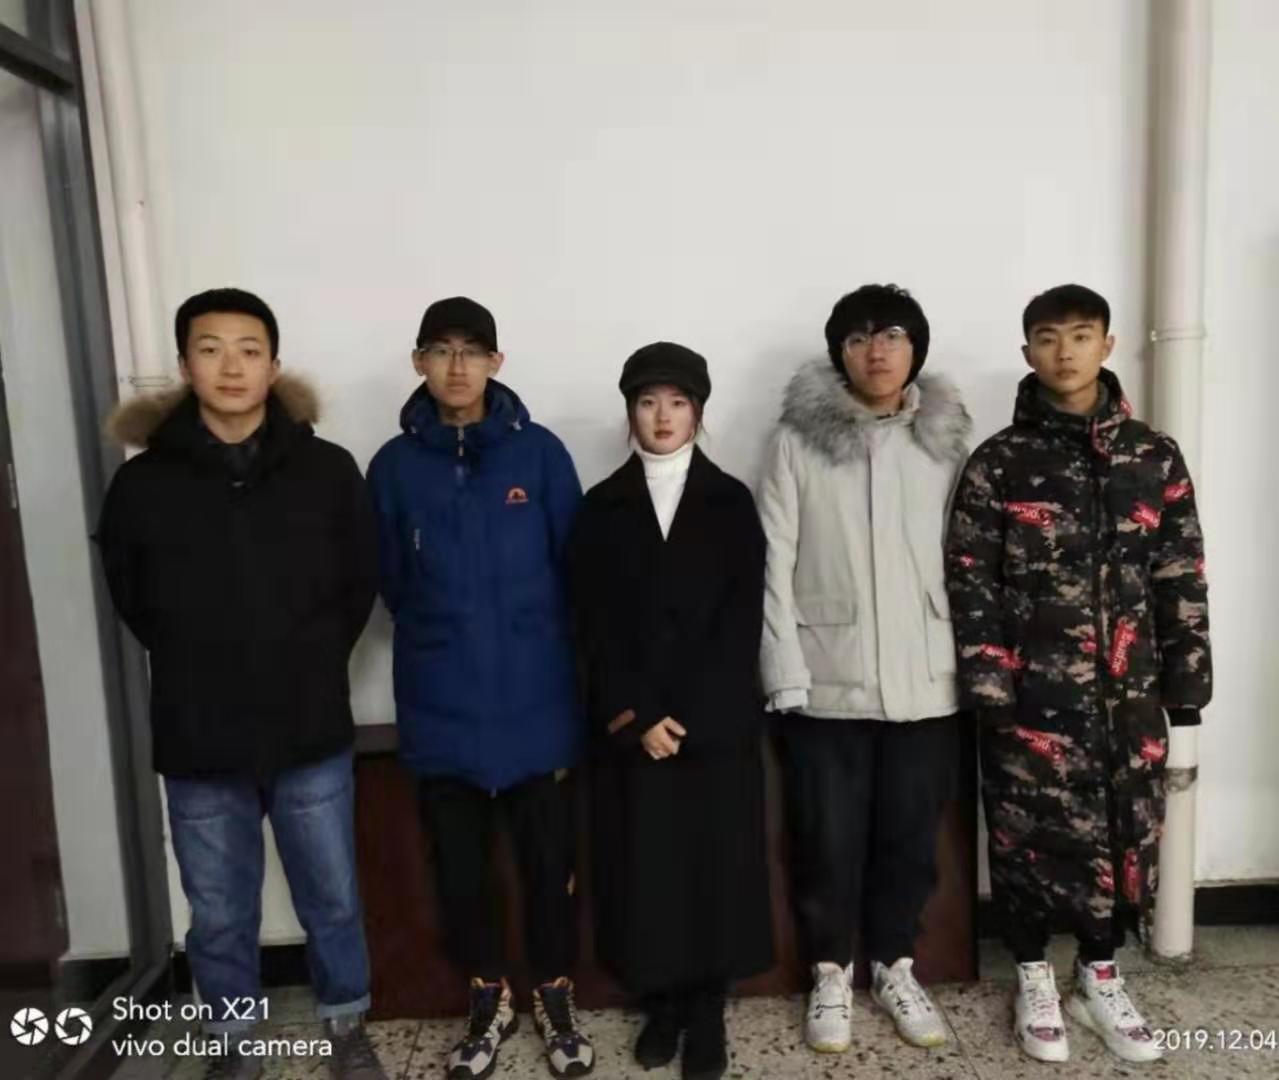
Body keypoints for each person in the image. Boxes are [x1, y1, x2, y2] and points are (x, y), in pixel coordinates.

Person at [95, 288, 385, 1080]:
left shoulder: (326, 471)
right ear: (185, 365)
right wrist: (201, 656)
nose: (231, 366)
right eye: (211, 348)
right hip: (197, 729)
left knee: (332, 896)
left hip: (307, 723)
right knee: (219, 909)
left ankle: (345, 1026)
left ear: (273, 366)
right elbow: (132, 595)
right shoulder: (144, 484)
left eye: (249, 350)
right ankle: (233, 1043)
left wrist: (308, 658)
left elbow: (358, 580)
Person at [946, 283, 1212, 1064]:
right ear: (1026, 351)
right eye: (1047, 337)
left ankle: (1098, 976)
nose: (1063, 352)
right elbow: (970, 579)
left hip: (1128, 697)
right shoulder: (999, 461)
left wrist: (1185, 689)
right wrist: (990, 686)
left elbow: (1180, 574)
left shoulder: (1152, 455)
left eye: (1080, 335)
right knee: (1024, 836)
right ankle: (1032, 976)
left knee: (1124, 835)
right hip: (1029, 695)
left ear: (1107, 344)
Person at [366, 297, 593, 1080]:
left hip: (538, 704)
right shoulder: (393, 467)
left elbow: (575, 573)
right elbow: (390, 581)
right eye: (440, 350)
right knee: (461, 871)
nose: (456, 366)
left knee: (547, 866)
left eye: (471, 350)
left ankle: (555, 996)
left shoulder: (541, 456)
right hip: (441, 705)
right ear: (418, 362)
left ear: (497, 362)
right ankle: (486, 1000)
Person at [757, 284, 971, 1056]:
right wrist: (783, 669)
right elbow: (772, 560)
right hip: (825, 677)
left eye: (891, 336)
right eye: (857, 338)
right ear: (838, 353)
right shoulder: (795, 441)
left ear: (915, 349)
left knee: (909, 838)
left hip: (926, 677)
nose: (875, 351)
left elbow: (969, 557)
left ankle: (893, 965)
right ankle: (829, 971)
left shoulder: (946, 440)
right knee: (825, 838)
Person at [569, 342, 773, 1080]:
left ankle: (707, 1010)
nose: (662, 416)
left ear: (698, 412)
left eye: (678, 402)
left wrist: (687, 716)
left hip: (712, 725)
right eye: (648, 402)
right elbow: (591, 624)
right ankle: (660, 1003)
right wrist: (638, 716)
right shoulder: (599, 507)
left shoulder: (731, 501)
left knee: (713, 866)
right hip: (636, 729)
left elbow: (739, 620)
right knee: (646, 867)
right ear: (630, 410)